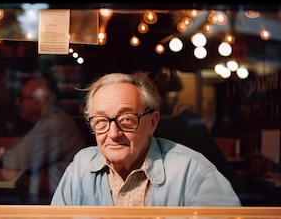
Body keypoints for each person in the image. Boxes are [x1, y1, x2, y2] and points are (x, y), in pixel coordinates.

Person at [50, 72, 241, 206]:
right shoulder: (81, 166)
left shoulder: (194, 173)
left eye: (126, 120)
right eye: (100, 121)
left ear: (152, 122)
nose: (113, 133)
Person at [150, 67, 252, 202]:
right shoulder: (189, 123)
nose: (173, 99)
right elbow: (220, 165)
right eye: (171, 94)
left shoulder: (150, 126)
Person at [0, 74, 87, 203]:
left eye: (21, 98)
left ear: (39, 101)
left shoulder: (55, 123)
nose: (17, 102)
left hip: (59, 203)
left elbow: (15, 160)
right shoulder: (50, 120)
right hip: (52, 198)